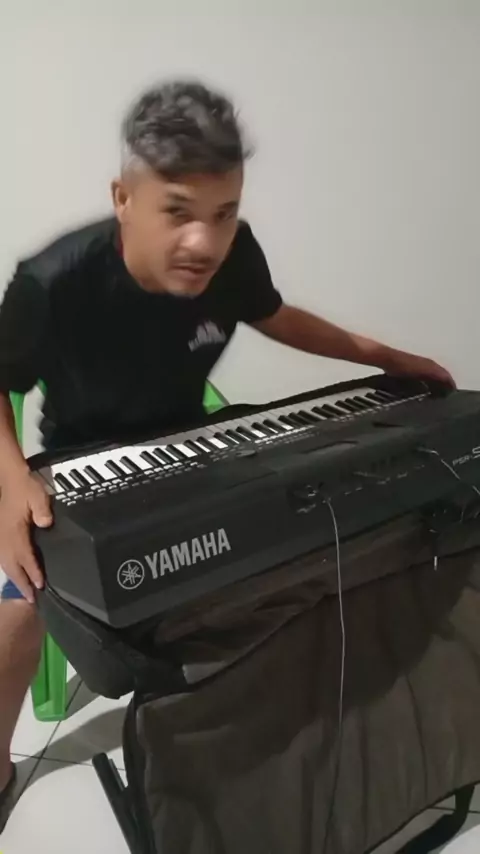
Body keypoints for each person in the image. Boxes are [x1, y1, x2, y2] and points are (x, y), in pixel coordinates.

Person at [0, 78, 453, 831]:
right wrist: (12, 482)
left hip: (192, 445)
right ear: (124, 199)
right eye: (179, 212)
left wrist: (385, 356)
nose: (205, 243)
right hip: (81, 462)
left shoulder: (231, 256)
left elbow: (275, 317)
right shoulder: (53, 283)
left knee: (270, 564)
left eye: (225, 212)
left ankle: (249, 738)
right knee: (20, 603)